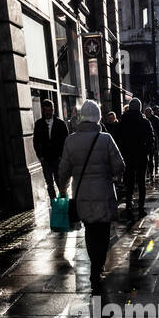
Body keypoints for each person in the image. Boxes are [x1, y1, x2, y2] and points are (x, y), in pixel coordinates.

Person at [58, 100, 125, 292]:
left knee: (89, 231)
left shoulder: (70, 140)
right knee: (103, 232)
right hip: (103, 192)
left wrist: (62, 189)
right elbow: (119, 165)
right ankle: (98, 267)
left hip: (82, 194)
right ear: (97, 117)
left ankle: (94, 267)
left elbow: (63, 171)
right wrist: (113, 176)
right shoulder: (105, 139)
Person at [117, 97, 153, 218]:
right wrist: (147, 151)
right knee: (141, 181)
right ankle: (141, 206)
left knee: (129, 181)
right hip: (141, 156)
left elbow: (119, 140)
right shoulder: (145, 122)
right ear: (139, 108)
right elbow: (150, 140)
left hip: (127, 156)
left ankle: (128, 204)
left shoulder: (123, 122)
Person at [32, 99, 68, 202]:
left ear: (53, 110)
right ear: (43, 110)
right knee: (49, 184)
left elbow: (66, 141)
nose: (48, 112)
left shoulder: (60, 124)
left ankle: (63, 202)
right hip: (45, 160)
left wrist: (62, 156)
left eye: (50, 110)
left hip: (58, 159)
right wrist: (40, 157)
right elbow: (35, 141)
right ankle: (53, 203)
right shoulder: (38, 124)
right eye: (46, 110)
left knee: (60, 183)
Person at [143, 105, 159, 182]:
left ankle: (156, 167)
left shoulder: (155, 119)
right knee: (150, 157)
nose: (148, 113)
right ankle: (150, 171)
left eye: (149, 112)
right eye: (147, 112)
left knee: (155, 154)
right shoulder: (144, 120)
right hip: (147, 141)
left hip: (155, 139)